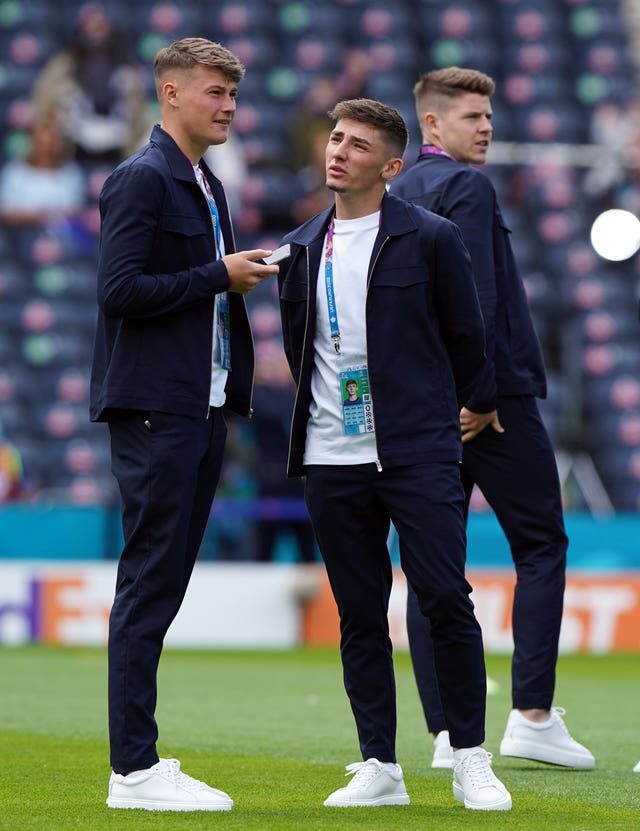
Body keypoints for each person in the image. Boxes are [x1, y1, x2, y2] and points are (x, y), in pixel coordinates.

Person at [277, 97, 512, 811]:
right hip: (329, 457)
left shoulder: (432, 237)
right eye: (336, 139)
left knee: (446, 597)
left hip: (417, 452)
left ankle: (470, 754)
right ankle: (379, 761)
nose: (339, 152)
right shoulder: (301, 244)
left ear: (391, 165)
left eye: (358, 144)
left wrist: (468, 407)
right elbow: (301, 348)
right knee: (357, 613)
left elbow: (467, 334)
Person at [89, 37, 279, 812]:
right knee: (148, 583)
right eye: (214, 92)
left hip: (198, 405)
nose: (228, 105)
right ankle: (133, 769)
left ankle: (140, 760)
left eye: (233, 93)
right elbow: (119, 289)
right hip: (154, 406)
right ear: (170, 94)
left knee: (162, 582)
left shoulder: (204, 181)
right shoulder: (141, 178)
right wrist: (219, 275)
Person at [391, 66, 595, 771]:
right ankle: (531, 714)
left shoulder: (394, 192)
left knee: (430, 568)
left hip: (420, 409)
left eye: (488, 115)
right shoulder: (467, 187)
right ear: (434, 125)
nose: (486, 126)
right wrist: (480, 396)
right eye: (471, 115)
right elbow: (475, 296)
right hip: (490, 403)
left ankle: (448, 733)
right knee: (540, 544)